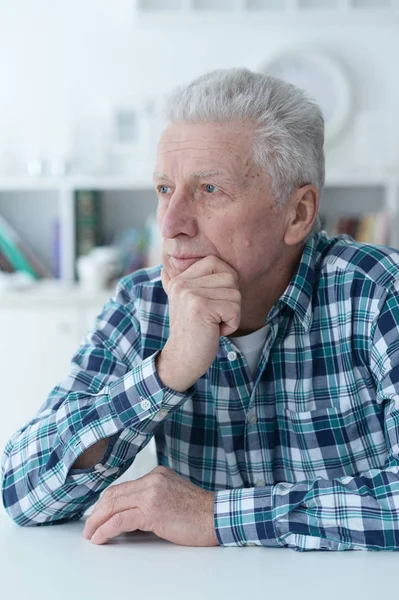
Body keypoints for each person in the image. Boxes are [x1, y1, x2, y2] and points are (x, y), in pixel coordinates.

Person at [2, 68, 399, 552]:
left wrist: (215, 516)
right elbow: (23, 493)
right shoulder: (144, 303)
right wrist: (167, 371)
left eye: (209, 190)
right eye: (164, 189)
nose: (170, 225)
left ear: (297, 213)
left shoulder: (380, 293)